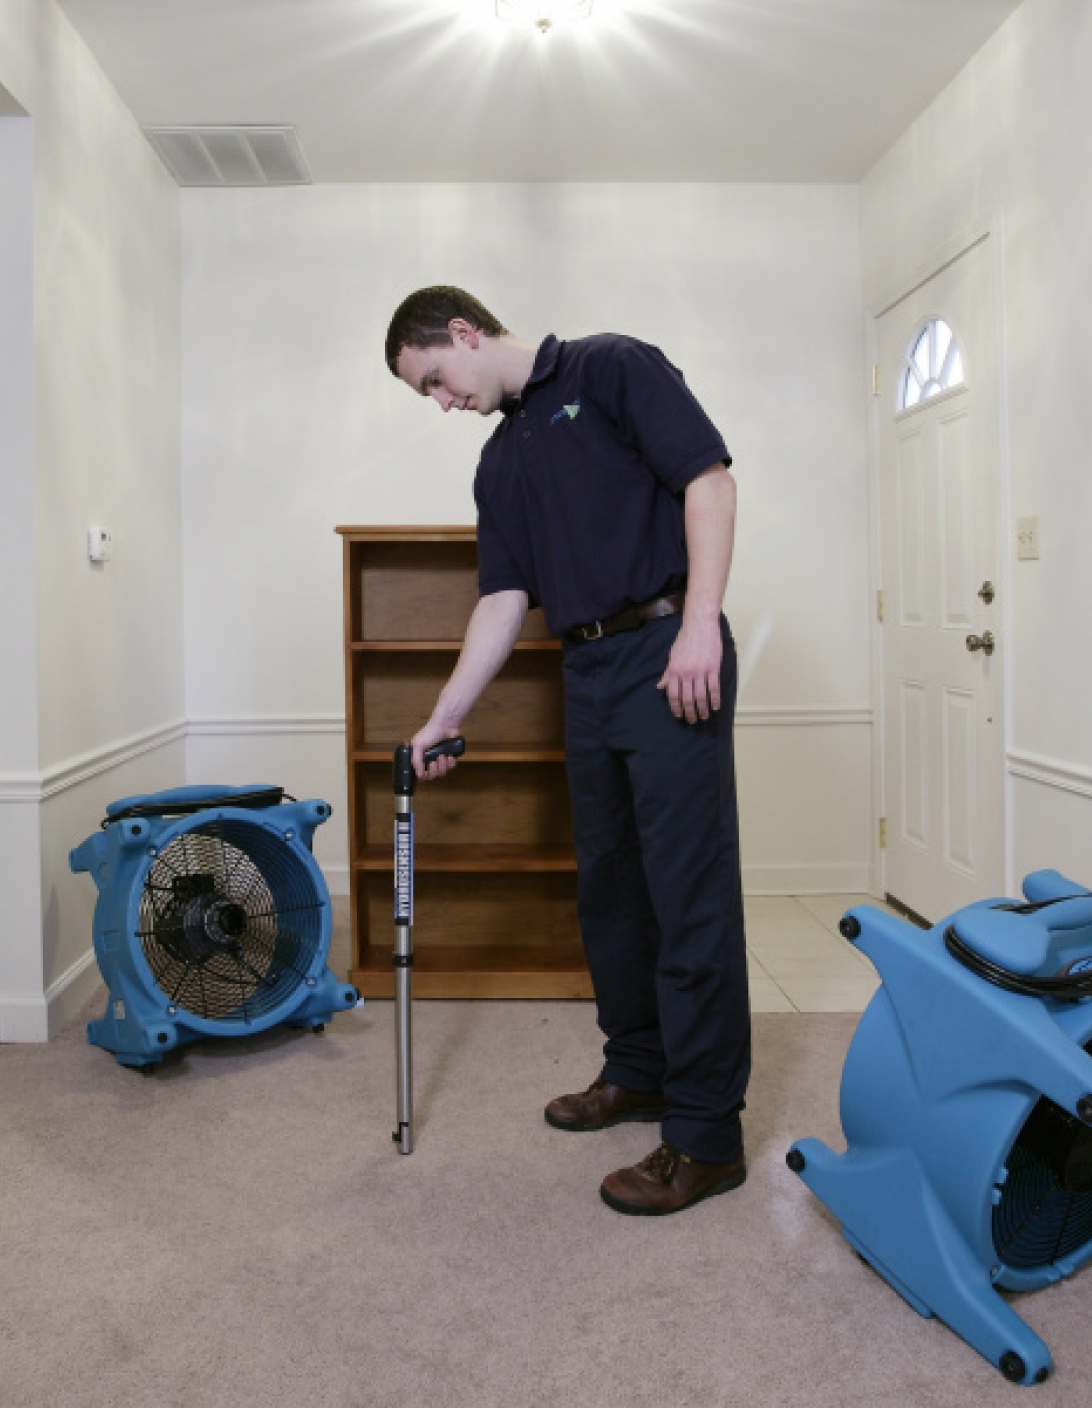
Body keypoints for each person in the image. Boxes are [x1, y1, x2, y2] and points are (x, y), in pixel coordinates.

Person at [384, 286, 750, 1216]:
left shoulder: (610, 365)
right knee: (612, 895)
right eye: (426, 394)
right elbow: (503, 598)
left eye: (435, 380)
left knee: (688, 894)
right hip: (585, 673)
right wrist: (443, 715)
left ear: (463, 332)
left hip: (667, 648)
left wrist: (698, 625)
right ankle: (640, 1070)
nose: (441, 402)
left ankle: (707, 1137)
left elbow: (709, 481)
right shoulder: (499, 460)